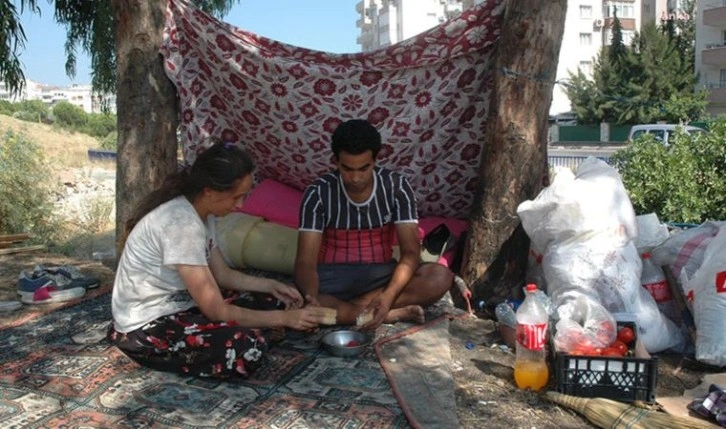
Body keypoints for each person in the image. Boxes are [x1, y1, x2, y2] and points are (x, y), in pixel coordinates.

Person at [107, 140, 330, 379]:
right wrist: (285, 319)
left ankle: (265, 325)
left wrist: (272, 286)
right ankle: (261, 332)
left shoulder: (204, 215)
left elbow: (223, 274)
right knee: (245, 346)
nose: (241, 206)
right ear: (209, 192)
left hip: (181, 306)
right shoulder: (181, 225)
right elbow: (216, 310)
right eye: (236, 198)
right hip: (146, 326)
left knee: (275, 300)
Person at [294, 119, 454, 329]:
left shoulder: (397, 187)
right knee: (293, 300)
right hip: (332, 280)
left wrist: (388, 296)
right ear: (335, 161)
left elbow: (410, 254)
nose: (356, 178)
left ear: (376, 160)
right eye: (347, 168)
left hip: (380, 279)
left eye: (364, 168)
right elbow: (305, 262)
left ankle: (360, 310)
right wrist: (311, 298)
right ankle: (381, 314)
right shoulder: (318, 192)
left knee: (440, 277)